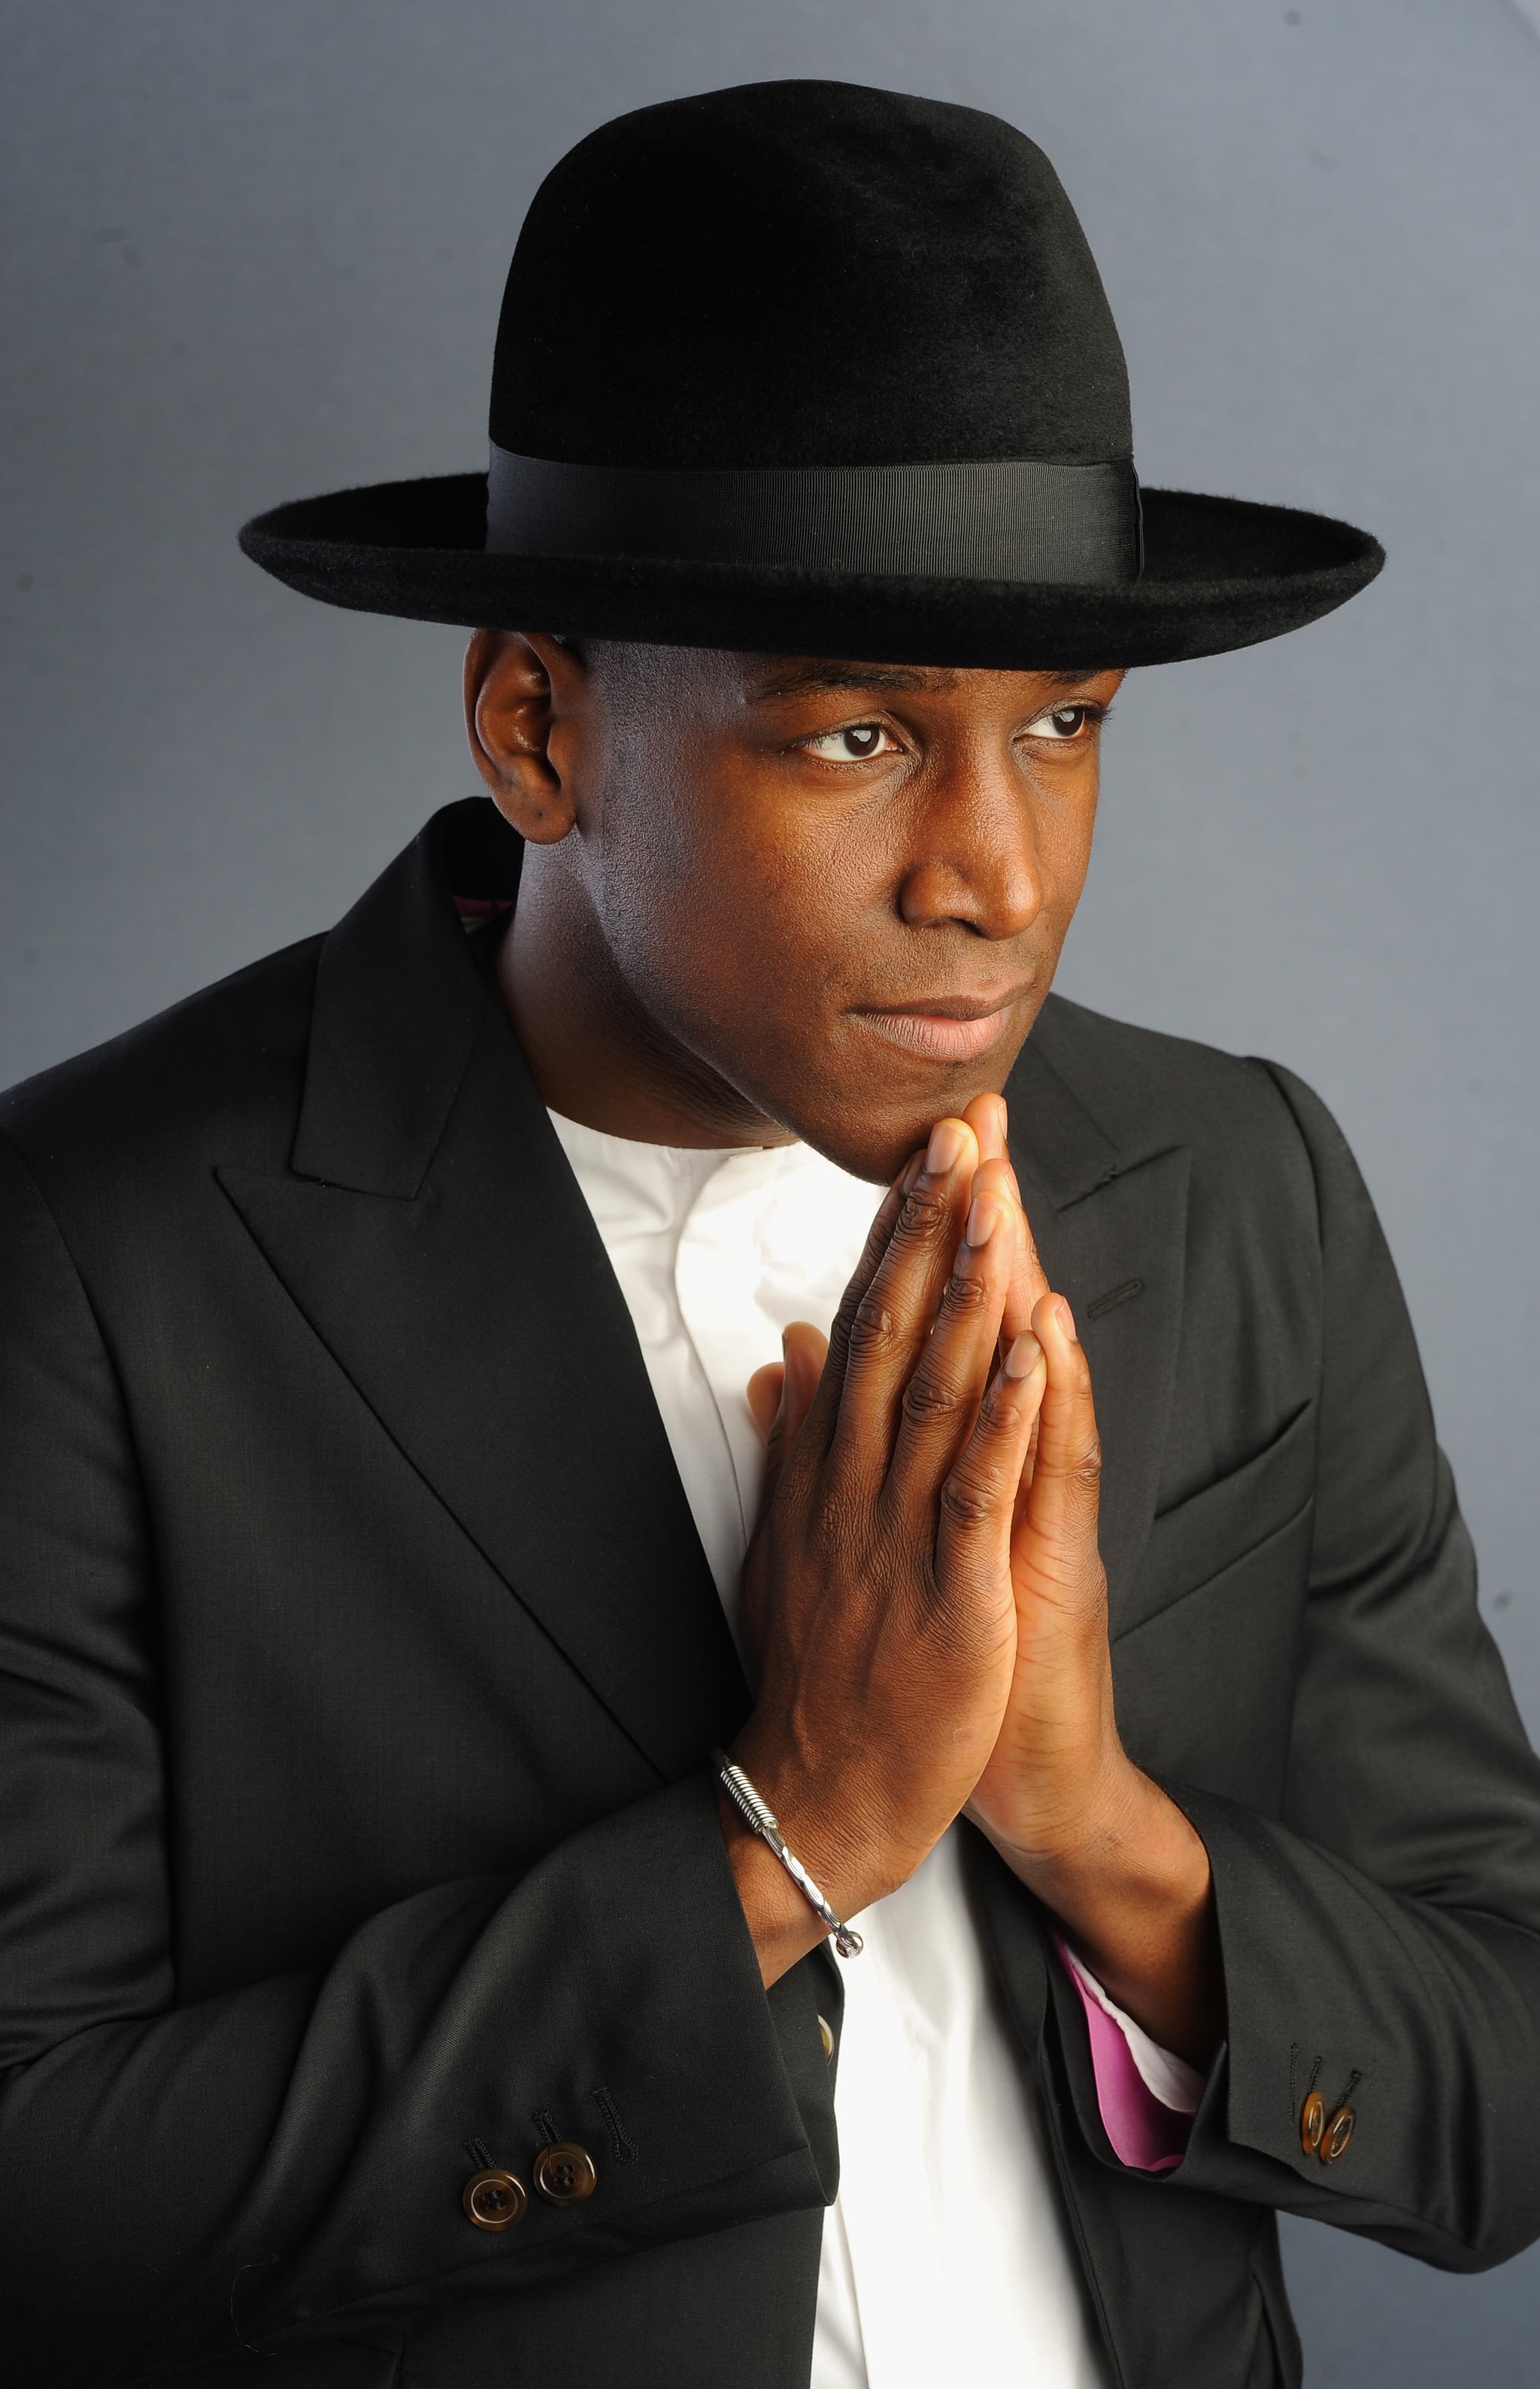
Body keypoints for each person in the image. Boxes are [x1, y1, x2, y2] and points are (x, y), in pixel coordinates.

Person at [2, 77, 1536, 2389]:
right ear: (541, 727)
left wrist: (1102, 1829)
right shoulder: (95, 1261)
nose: (999, 876)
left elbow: (1505, 2071)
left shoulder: (1242, 1189)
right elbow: (39, 2197)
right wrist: (786, 1828)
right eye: (855, 740)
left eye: (1069, 723)